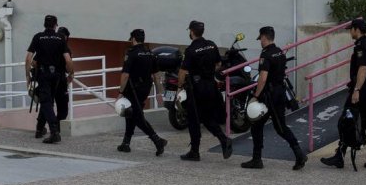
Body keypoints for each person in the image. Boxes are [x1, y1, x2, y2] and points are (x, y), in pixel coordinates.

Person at [321, 18, 366, 169]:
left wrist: (356, 90)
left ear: (356, 29)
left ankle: (339, 156)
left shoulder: (361, 46)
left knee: (346, 120)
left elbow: (363, 69)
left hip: (361, 90)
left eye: (351, 29)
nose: (350, 32)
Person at [241, 26, 307, 170]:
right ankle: (258, 159)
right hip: (280, 93)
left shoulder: (266, 54)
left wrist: (255, 96)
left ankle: (298, 154)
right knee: (268, 126)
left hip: (269, 96)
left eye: (260, 38)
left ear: (264, 37)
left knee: (269, 126)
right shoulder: (279, 52)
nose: (260, 41)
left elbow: (263, 78)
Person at [177, 20, 232, 161]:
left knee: (194, 119)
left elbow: (182, 72)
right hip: (211, 86)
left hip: (196, 89)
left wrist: (179, 88)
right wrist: (208, 73)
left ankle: (195, 152)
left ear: (192, 32)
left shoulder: (190, 50)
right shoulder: (212, 45)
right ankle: (223, 139)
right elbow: (219, 63)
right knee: (206, 117)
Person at [116, 29, 168, 156]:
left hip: (132, 89)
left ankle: (157, 140)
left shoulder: (131, 53)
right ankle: (126, 143)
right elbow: (156, 75)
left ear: (133, 39)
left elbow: (125, 75)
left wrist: (120, 92)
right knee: (131, 113)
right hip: (145, 88)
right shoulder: (150, 53)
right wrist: (158, 93)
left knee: (137, 116)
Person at [25, 15, 74, 144]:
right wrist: (71, 74)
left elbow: (29, 59)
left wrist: (28, 77)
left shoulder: (38, 37)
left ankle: (49, 130)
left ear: (44, 24)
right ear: (55, 25)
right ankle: (48, 130)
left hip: (44, 75)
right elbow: (68, 60)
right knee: (50, 103)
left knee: (46, 102)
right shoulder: (60, 39)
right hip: (58, 76)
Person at [34, 26, 72, 139]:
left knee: (47, 105)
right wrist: (71, 74)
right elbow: (69, 63)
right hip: (59, 80)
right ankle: (54, 130)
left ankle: (41, 129)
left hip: (49, 79)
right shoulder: (65, 49)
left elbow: (34, 62)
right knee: (56, 106)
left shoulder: (46, 45)